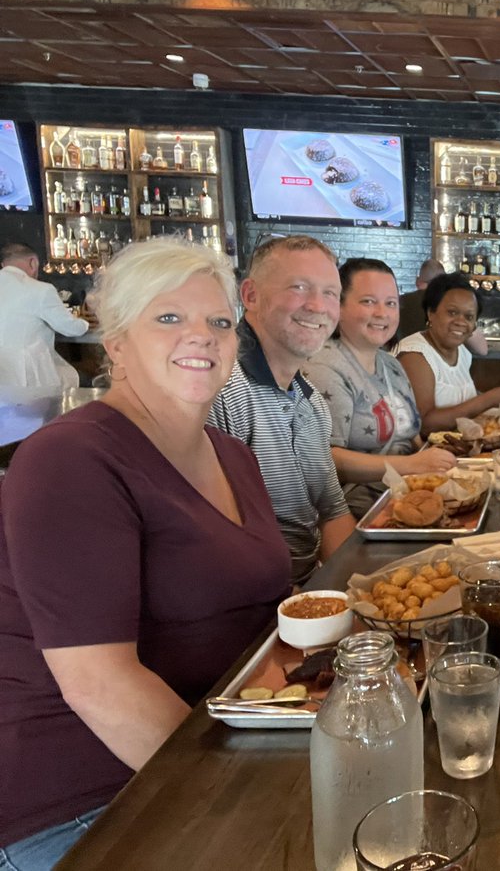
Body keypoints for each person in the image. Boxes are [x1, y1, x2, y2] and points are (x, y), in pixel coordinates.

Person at [0, 238, 290, 870]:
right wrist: (250, 801)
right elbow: (101, 685)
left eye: (219, 322)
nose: (202, 335)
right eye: (168, 317)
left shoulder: (232, 455)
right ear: (116, 343)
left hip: (218, 742)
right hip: (88, 801)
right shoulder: (70, 459)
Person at [208, 234, 355, 585]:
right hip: (253, 599)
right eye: (299, 287)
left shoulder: (312, 402)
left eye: (330, 293)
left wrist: (363, 591)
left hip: (305, 590)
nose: (318, 306)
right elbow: (213, 541)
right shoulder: (220, 391)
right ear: (250, 295)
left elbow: (332, 512)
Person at [303, 258, 456, 517]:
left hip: (406, 493)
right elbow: (327, 459)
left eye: (391, 303)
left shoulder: (390, 363)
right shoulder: (325, 367)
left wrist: (437, 461)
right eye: (368, 301)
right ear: (338, 306)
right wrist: (412, 464)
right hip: (356, 508)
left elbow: (410, 437)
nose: (382, 313)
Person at [397, 272, 500, 433]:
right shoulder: (415, 354)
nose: (461, 322)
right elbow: (424, 424)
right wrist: (488, 399)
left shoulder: (462, 352)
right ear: (431, 313)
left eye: (469, 317)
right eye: (452, 312)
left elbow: (460, 397)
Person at [0, 241, 88, 389]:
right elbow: (71, 328)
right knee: (86, 379)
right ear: (33, 263)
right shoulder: (40, 290)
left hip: (4, 380)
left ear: (3, 265)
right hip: (29, 379)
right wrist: (86, 322)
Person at [397, 258, 488, 355]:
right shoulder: (449, 303)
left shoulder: (397, 303)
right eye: (452, 313)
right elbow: (482, 349)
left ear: (418, 281)